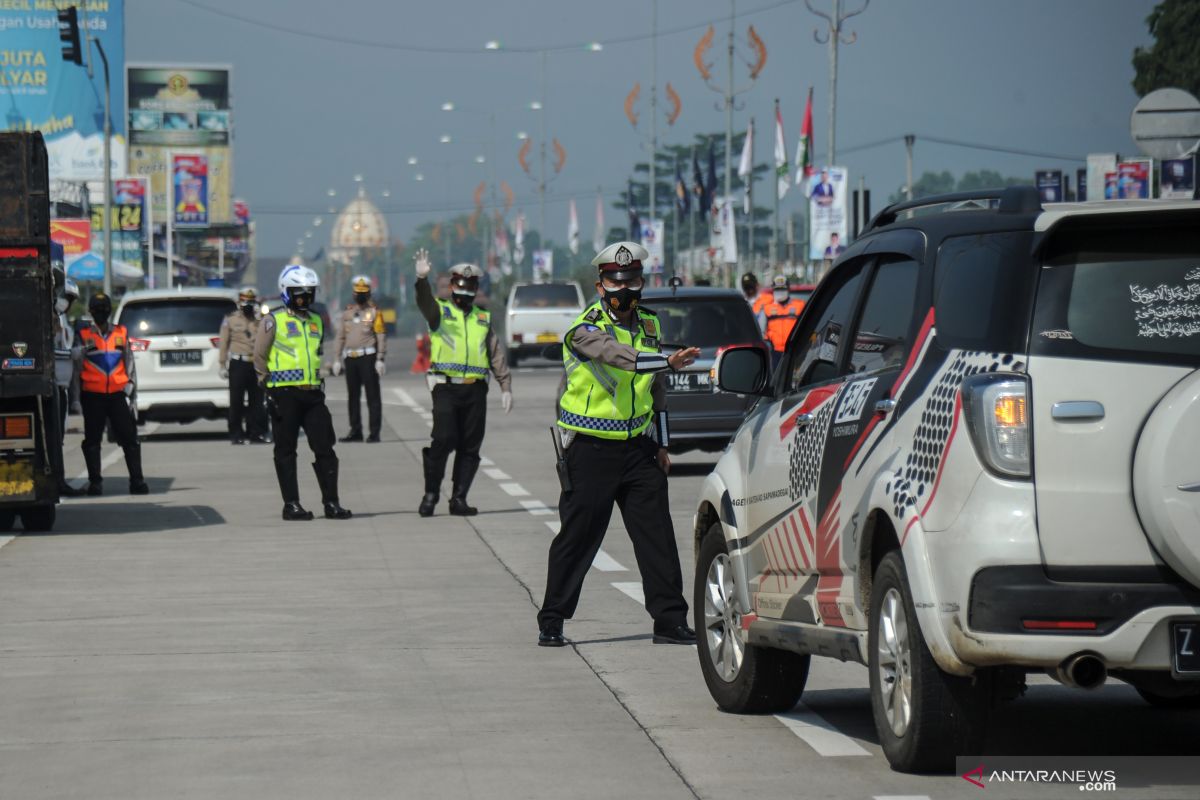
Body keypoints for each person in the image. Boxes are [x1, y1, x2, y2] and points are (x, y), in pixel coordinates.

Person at [537, 241, 701, 648]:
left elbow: (657, 389)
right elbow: (618, 357)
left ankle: (669, 620)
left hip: (638, 449)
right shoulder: (585, 329)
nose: (624, 290)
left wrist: (662, 444)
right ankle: (552, 618)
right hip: (591, 449)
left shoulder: (650, 325)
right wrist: (666, 361)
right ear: (600, 285)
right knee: (578, 538)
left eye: (632, 281)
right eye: (616, 281)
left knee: (657, 536)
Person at [414, 249, 512, 517]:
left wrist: (505, 385)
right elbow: (424, 303)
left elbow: (495, 352)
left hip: (476, 388)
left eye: (470, 285)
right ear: (452, 286)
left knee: (471, 445)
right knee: (443, 439)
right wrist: (421, 280)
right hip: (445, 387)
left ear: (476, 288)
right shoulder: (440, 312)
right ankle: (431, 493)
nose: (465, 289)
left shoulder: (483, 317)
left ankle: (459, 498)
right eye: (460, 284)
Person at [254, 264, 352, 521]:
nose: (305, 299)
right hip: (284, 395)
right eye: (300, 294)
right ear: (286, 292)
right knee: (285, 449)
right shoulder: (272, 320)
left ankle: (332, 503)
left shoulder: (317, 320)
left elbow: (316, 353)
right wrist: (268, 389)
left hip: (313, 395)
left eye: (309, 294)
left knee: (325, 447)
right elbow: (259, 356)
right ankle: (292, 504)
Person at [78, 292, 149, 496]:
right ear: (90, 312)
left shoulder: (121, 333)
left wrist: (131, 390)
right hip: (92, 395)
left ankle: (137, 481)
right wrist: (75, 398)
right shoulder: (83, 335)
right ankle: (95, 483)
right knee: (92, 441)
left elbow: (129, 362)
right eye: (97, 309)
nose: (101, 312)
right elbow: (76, 367)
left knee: (130, 438)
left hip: (117, 394)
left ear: (109, 311)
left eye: (104, 309)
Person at [332, 275, 387, 443]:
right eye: (358, 292)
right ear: (353, 293)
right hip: (351, 358)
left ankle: (374, 432)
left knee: (372, 396)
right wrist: (336, 359)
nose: (360, 295)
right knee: (353, 396)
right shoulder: (348, 313)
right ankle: (355, 431)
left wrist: (380, 358)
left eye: (364, 292)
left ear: (369, 293)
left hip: (368, 357)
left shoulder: (374, 313)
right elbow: (340, 336)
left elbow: (380, 335)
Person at [218, 287, 269, 445]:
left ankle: (256, 433)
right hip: (238, 363)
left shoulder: (260, 319)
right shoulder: (231, 319)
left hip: (255, 364)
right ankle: (236, 433)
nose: (248, 304)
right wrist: (222, 364)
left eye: (251, 301)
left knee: (257, 401)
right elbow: (224, 343)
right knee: (236, 401)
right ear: (239, 302)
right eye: (245, 301)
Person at [51, 273, 83, 497]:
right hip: (53, 386)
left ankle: (59, 480)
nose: (68, 303)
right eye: (67, 298)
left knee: (58, 438)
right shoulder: (51, 319)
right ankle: (57, 481)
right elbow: (50, 352)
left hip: (61, 387)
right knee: (54, 438)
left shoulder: (59, 319)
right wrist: (72, 353)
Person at [762, 275, 805, 369]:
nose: (780, 292)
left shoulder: (799, 306)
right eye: (777, 289)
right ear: (773, 290)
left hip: (794, 352)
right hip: (774, 353)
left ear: (788, 289)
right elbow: (761, 331)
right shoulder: (767, 308)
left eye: (782, 289)